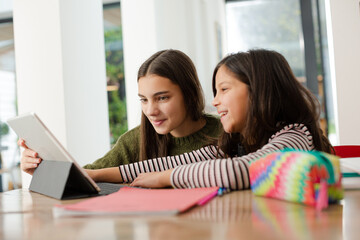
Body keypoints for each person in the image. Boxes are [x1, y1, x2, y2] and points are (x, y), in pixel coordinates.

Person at [85, 49, 333, 189]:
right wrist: (98, 174)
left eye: (224, 90)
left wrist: (166, 178)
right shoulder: (240, 139)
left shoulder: (294, 136)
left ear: (259, 91)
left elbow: (244, 170)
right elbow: (184, 162)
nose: (215, 101)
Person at [18, 49, 222, 175]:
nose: (150, 111)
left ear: (189, 93)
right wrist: (42, 167)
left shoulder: (225, 132)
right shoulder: (135, 140)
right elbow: (88, 175)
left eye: (162, 98)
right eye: (143, 100)